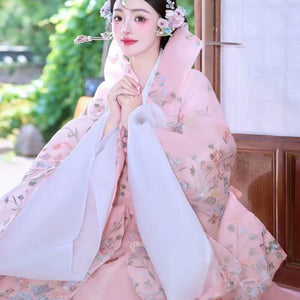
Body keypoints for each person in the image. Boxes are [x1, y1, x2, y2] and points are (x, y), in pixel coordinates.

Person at [0, 0, 298, 299]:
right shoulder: (109, 90)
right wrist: (110, 123)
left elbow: (211, 153)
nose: (125, 28)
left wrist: (138, 125)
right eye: (118, 17)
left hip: (167, 221)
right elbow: (71, 156)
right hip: (107, 220)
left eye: (139, 18)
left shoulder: (191, 84)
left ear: (164, 24)